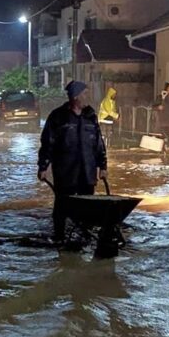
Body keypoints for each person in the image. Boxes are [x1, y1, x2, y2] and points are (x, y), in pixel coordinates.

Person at [37, 80, 108, 243]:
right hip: (66, 171)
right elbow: (48, 143)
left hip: (87, 171)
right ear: (76, 97)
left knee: (87, 206)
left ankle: (85, 237)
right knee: (62, 206)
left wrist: (103, 166)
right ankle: (59, 237)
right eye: (85, 94)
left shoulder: (90, 116)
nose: (88, 96)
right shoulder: (58, 117)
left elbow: (98, 143)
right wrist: (43, 167)